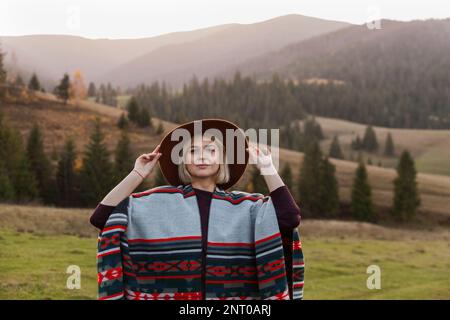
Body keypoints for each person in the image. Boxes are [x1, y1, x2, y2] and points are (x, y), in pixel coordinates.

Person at [93, 119, 304, 300]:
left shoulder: (247, 207)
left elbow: (289, 217)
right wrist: (137, 174)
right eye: (192, 151)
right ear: (184, 162)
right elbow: (102, 217)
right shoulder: (157, 201)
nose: (201, 156)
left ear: (222, 161)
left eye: (211, 150)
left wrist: (267, 167)